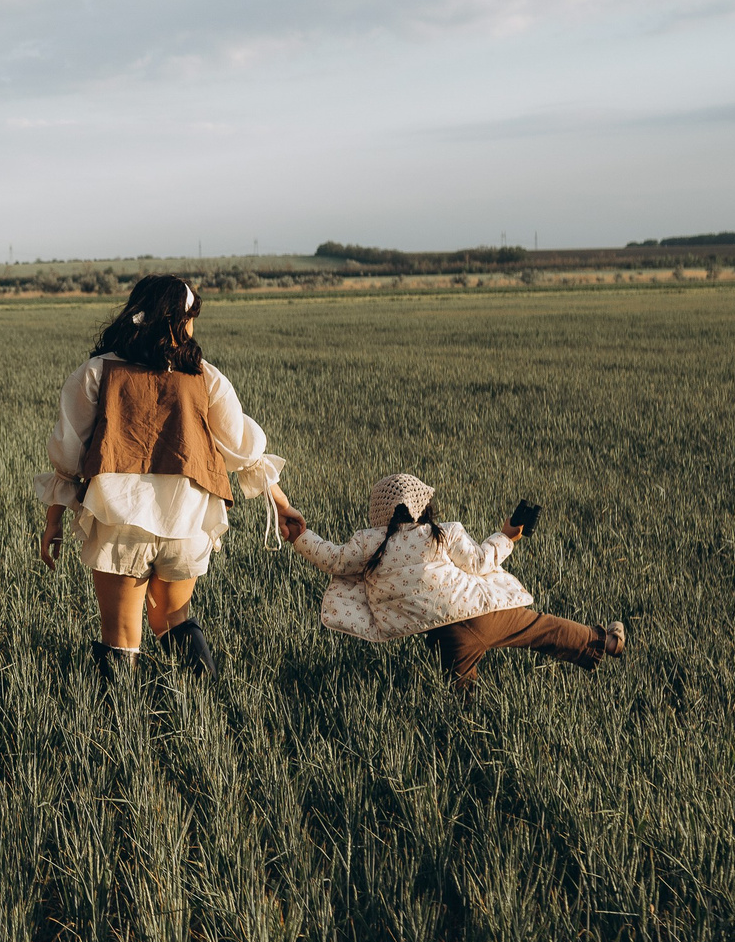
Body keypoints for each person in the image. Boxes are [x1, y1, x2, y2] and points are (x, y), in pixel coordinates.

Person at [36, 274, 299, 681]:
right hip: (188, 522)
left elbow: (69, 456)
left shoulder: (97, 372)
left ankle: (119, 718)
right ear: (181, 320)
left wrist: (53, 520)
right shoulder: (206, 377)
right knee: (174, 618)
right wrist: (280, 503)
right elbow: (243, 450)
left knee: (121, 635)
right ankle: (206, 701)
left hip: (120, 520)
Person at [279, 472, 627, 691]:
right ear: (424, 507)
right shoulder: (441, 533)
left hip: (445, 635)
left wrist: (299, 536)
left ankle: (464, 744)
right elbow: (480, 561)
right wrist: (507, 536)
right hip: (480, 614)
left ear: (378, 513)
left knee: (461, 694)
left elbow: (332, 558)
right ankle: (607, 642)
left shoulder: (369, 543)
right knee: (542, 629)